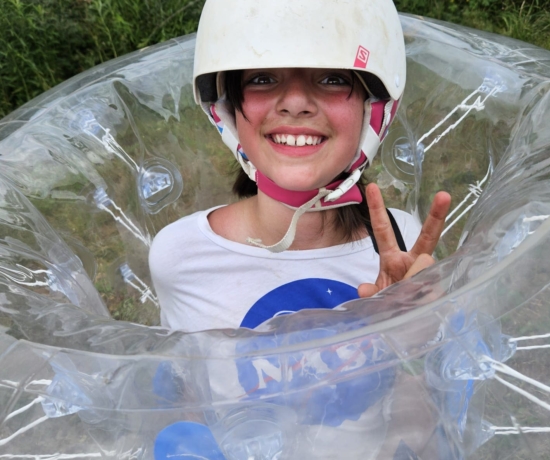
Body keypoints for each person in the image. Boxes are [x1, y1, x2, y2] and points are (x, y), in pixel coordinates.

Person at [149, 0, 451, 334]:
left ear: (374, 110)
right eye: (262, 78)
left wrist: (413, 344)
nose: (295, 103)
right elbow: (186, 384)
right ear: (227, 109)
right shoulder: (181, 255)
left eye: (332, 78)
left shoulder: (403, 242)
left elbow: (429, 383)